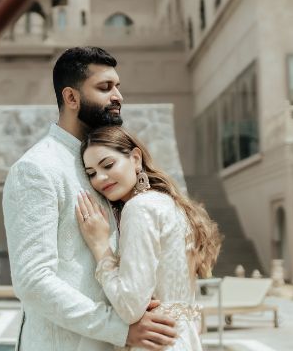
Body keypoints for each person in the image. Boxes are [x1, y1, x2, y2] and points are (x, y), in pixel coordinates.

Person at [2, 47, 180, 351]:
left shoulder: (104, 165)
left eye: (118, 87)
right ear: (71, 98)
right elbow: (33, 281)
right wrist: (119, 329)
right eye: (104, 88)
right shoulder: (37, 169)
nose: (118, 97)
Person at [75, 126, 221, 351]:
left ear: (135, 158)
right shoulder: (168, 203)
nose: (100, 178)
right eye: (91, 173)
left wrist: (99, 246)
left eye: (108, 165)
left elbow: (130, 306)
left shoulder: (139, 208)